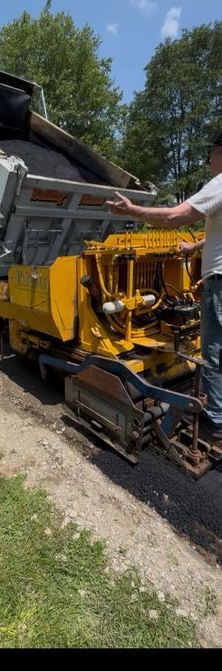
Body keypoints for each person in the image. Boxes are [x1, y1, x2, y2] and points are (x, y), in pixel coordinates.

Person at [106, 130, 222, 439]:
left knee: (214, 349)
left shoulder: (220, 183)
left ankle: (215, 421)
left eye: (211, 153)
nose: (209, 160)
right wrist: (193, 249)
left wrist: (131, 210)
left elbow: (174, 216)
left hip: (219, 282)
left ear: (218, 152)